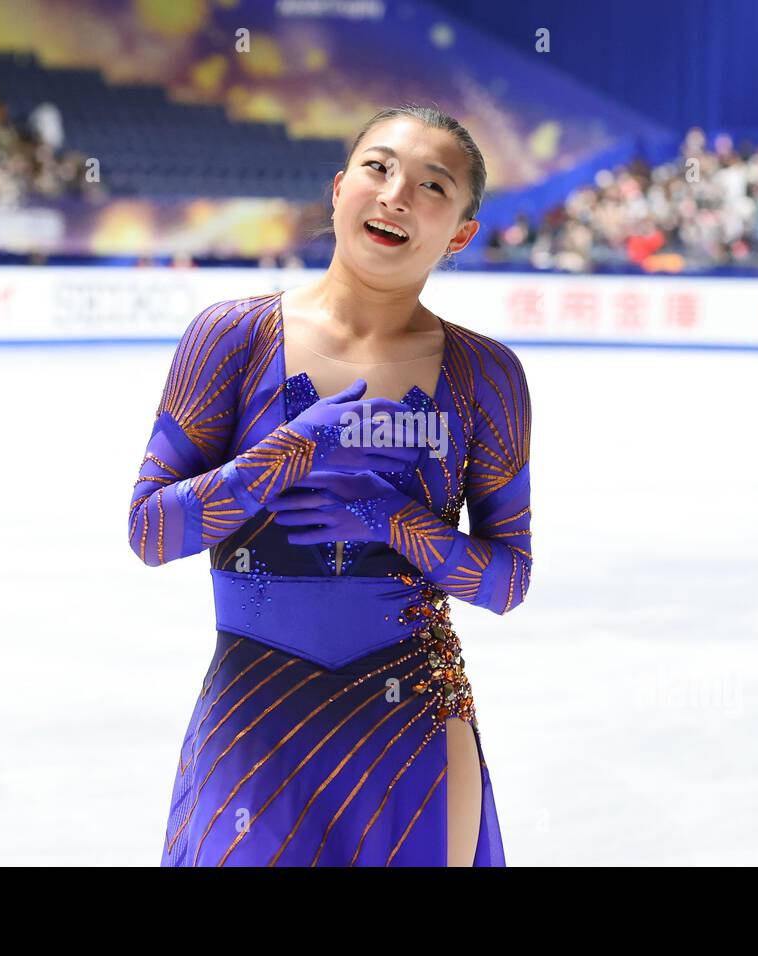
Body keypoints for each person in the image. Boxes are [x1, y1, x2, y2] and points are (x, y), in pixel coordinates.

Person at [128, 105, 533, 866]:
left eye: (432, 186)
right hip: (253, 721)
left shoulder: (487, 377)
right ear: (340, 187)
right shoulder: (233, 337)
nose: (396, 195)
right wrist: (279, 458)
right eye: (378, 169)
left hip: (410, 718)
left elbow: (509, 581)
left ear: (461, 233)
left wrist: (391, 520)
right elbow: (150, 532)